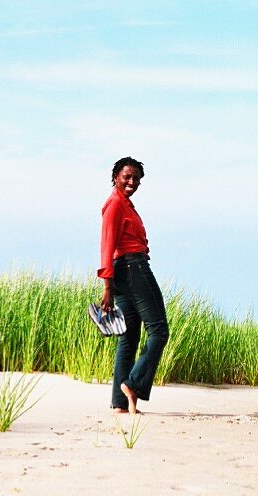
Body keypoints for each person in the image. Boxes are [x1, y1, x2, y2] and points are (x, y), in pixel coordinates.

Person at [98, 156, 169, 415]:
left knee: (128, 338)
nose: (132, 182)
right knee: (159, 331)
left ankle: (120, 403)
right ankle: (133, 384)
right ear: (116, 176)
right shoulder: (115, 204)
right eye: (127, 176)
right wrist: (106, 287)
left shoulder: (127, 205)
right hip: (132, 270)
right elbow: (107, 245)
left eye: (136, 178)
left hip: (125, 271)